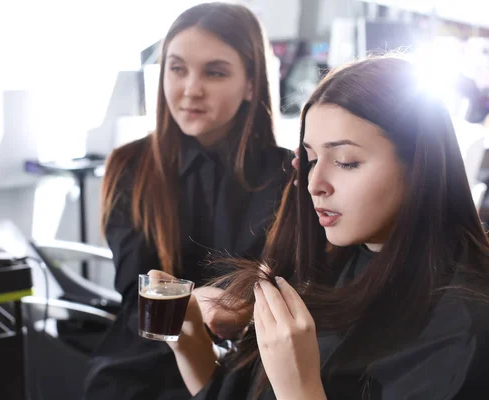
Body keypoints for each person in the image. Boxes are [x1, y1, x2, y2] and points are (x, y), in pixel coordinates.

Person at [162, 55, 489, 399]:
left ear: (420, 166)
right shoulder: (324, 266)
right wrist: (186, 337)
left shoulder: (459, 327)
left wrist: (298, 387)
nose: (314, 183)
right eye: (312, 159)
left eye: (347, 162)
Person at [83, 3, 293, 399]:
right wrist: (196, 303)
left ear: (251, 83)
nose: (190, 88)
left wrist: (242, 308)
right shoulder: (132, 166)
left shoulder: (289, 175)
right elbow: (136, 292)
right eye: (177, 68)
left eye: (214, 72)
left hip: (251, 364)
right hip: (145, 360)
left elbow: (291, 283)